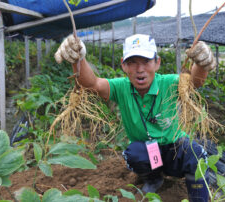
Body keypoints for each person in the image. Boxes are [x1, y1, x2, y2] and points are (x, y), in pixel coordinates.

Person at [55, 33, 216, 202]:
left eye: (146, 61)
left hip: (174, 149)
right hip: (150, 152)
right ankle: (154, 178)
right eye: (132, 62)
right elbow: (92, 84)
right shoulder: (121, 88)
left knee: (194, 153)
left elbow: (194, 82)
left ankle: (198, 198)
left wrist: (201, 63)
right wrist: (78, 59)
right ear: (123, 66)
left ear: (157, 63)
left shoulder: (169, 83)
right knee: (135, 153)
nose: (140, 70)